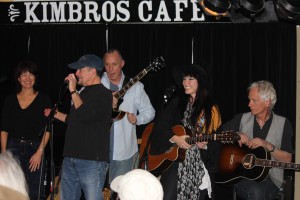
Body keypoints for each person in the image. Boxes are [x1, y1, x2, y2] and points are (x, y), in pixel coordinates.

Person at [149, 63, 222, 200]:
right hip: (174, 161)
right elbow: (160, 126)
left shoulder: (211, 110)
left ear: (200, 82)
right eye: (184, 78)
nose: (185, 83)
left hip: (199, 163)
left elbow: (217, 140)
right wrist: (175, 138)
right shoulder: (176, 102)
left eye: (190, 79)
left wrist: (205, 145)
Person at [44, 54, 112, 200]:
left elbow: (86, 115)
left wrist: (73, 91)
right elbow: (74, 120)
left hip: (91, 160)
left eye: (80, 70)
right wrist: (55, 114)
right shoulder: (82, 93)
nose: (76, 74)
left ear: (93, 70)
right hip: (70, 157)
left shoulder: (104, 95)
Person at [221, 80, 294, 200]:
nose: (249, 104)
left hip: (271, 179)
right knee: (256, 192)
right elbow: (219, 133)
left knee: (258, 193)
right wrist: (235, 134)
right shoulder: (241, 118)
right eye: (249, 100)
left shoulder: (283, 123)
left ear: (267, 102)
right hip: (243, 177)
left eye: (254, 100)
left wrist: (269, 146)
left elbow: (287, 159)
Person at [101, 49, 155, 184]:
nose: (110, 69)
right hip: (96, 150)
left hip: (123, 152)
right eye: (107, 64)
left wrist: (137, 119)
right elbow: (77, 103)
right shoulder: (97, 84)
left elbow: (150, 111)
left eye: (114, 64)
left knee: (120, 193)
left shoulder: (135, 86)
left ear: (122, 64)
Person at [0, 60, 51, 200]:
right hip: (13, 148)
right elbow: (4, 128)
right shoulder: (10, 100)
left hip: (34, 149)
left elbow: (48, 129)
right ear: (18, 78)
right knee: (13, 190)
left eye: (31, 74)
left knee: (34, 192)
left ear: (35, 77)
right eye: (24, 75)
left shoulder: (44, 99)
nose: (28, 78)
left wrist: (39, 152)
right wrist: (5, 154)